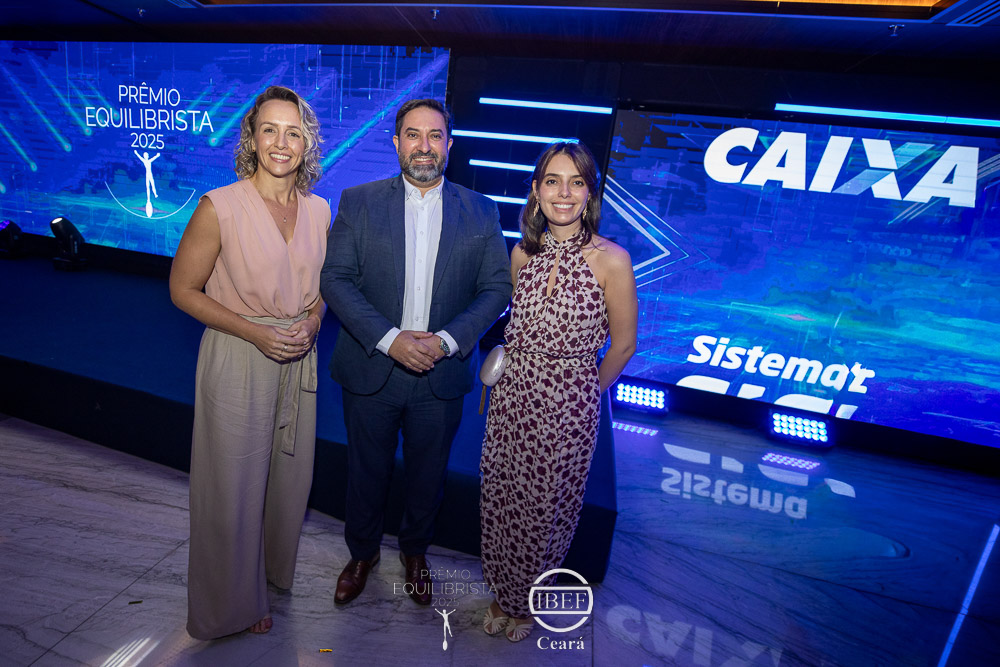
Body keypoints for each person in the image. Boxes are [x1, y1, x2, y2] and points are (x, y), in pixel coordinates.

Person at [320, 98, 509, 606]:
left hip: (441, 375)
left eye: (435, 135)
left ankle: (415, 552)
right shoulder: (358, 202)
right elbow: (335, 279)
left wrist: (445, 342)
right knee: (366, 473)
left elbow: (496, 288)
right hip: (372, 366)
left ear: (450, 144)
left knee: (429, 476)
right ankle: (361, 555)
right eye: (412, 134)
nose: (424, 146)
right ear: (396, 142)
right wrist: (391, 339)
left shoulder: (482, 209)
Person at [169, 85, 330, 639]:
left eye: (293, 132)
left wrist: (314, 321)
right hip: (239, 355)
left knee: (287, 481)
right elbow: (182, 290)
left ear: (307, 143)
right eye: (270, 130)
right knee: (231, 488)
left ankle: (266, 579)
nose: (281, 143)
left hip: (299, 359)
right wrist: (255, 333)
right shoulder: (219, 206)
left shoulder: (319, 210)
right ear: (252, 138)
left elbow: (323, 291)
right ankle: (228, 607)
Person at [479, 141, 637, 642]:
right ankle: (501, 591)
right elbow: (516, 326)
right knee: (502, 497)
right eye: (552, 181)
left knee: (546, 511)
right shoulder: (521, 252)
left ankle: (526, 603)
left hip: (567, 409)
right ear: (536, 190)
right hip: (512, 399)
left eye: (576, 182)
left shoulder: (612, 260)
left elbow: (624, 344)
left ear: (590, 193)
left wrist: (583, 392)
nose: (563, 193)